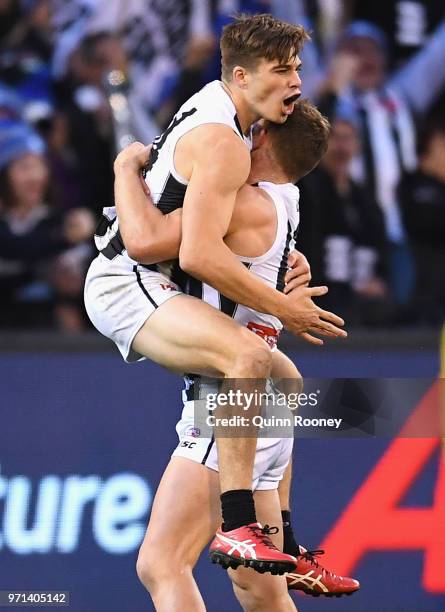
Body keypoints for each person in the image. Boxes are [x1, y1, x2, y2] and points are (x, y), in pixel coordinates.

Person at [85, 13, 346, 574]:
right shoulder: (230, 147)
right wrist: (284, 304)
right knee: (253, 361)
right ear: (243, 77)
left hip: (154, 280)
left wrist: (126, 168)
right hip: (128, 281)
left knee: (279, 376)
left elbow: (170, 236)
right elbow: (184, 251)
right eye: (282, 70)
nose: (296, 81)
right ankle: (244, 527)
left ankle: (278, 538)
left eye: (298, 67)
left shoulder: (218, 111)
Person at [110, 100, 360, 611]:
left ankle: (267, 531)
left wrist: (124, 169)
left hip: (227, 406)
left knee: (162, 563)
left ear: (263, 138)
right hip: (264, 400)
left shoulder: (240, 202)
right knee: (259, 584)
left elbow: (146, 240)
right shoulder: (286, 198)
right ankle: (288, 542)